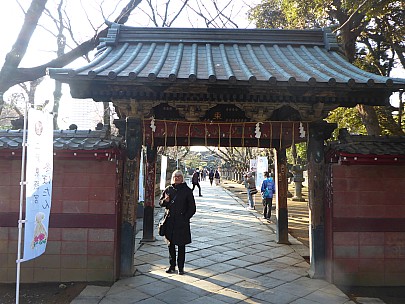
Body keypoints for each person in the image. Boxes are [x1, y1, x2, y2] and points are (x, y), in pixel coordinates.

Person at [159, 170, 196, 275]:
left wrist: (185, 218)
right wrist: (165, 201)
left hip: (181, 222)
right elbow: (160, 203)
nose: (177, 178)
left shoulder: (187, 191)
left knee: (181, 245)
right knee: (170, 245)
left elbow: (192, 208)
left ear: (182, 178)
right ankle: (172, 265)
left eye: (179, 176)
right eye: (175, 176)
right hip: (170, 221)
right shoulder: (168, 189)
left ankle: (181, 267)